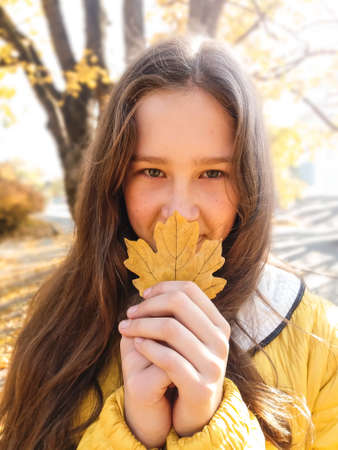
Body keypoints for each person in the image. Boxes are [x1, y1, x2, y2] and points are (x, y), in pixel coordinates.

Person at [0, 36, 337, 450]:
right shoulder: (59, 328)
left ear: (250, 182)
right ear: (115, 182)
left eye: (213, 173)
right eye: (152, 172)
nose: (180, 213)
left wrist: (210, 430)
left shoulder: (322, 343)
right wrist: (133, 433)